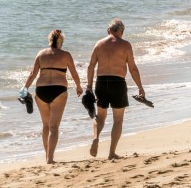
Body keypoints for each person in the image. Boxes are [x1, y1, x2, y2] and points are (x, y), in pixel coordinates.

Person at [86, 19, 145, 160]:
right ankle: (111, 153)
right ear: (121, 31)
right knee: (118, 119)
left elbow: (91, 66)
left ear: (109, 30)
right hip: (117, 82)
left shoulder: (99, 44)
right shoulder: (125, 45)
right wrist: (140, 87)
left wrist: (89, 86)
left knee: (100, 117)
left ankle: (96, 137)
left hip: (101, 82)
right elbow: (132, 68)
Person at [21, 29, 83, 164]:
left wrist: (25, 88)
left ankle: (47, 156)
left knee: (45, 126)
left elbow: (32, 74)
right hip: (58, 90)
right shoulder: (66, 55)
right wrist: (78, 87)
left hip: (41, 90)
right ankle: (50, 158)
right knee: (54, 127)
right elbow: (74, 73)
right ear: (61, 41)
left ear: (49, 40)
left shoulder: (41, 54)